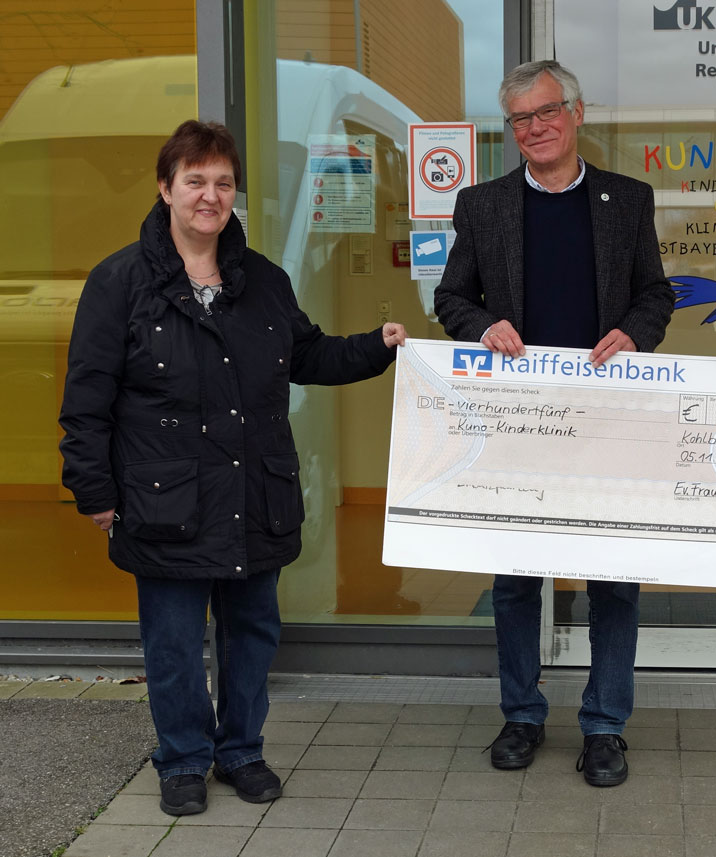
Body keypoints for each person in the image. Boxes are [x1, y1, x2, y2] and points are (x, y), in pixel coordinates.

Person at [58, 120, 407, 817]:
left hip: (254, 495)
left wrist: (378, 345)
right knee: (174, 645)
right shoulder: (119, 282)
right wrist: (93, 489)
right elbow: (86, 400)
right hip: (166, 502)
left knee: (252, 636)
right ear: (166, 189)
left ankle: (242, 751)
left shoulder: (264, 282)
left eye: (222, 182)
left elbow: (308, 355)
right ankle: (184, 759)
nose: (210, 196)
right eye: (195, 181)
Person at [434, 60, 674, 786]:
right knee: (515, 581)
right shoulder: (482, 205)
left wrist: (634, 333)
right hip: (520, 426)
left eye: (545, 113)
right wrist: (482, 327)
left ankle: (605, 727)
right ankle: (522, 714)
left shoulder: (627, 200)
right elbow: (451, 298)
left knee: (614, 582)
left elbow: (655, 294)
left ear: (575, 113)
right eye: (520, 119)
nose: (534, 129)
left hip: (609, 421)